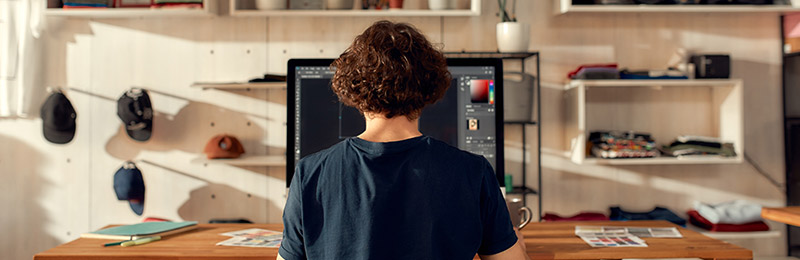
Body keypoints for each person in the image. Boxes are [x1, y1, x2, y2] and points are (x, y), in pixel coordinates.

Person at [278, 20, 529, 260]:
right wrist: (514, 243)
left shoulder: (309, 175)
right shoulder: (474, 172)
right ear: (430, 88)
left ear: (353, 88)